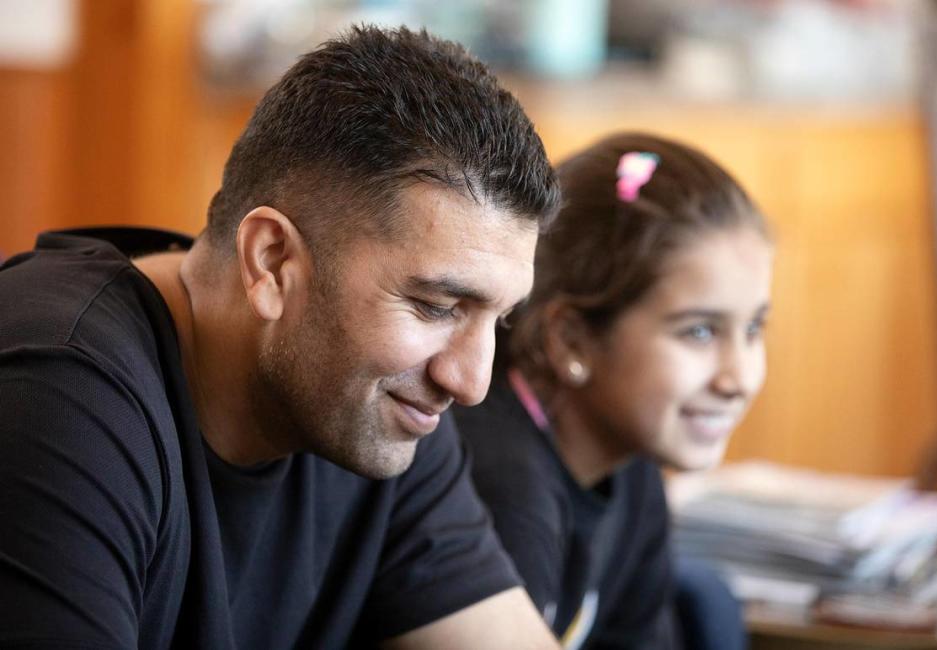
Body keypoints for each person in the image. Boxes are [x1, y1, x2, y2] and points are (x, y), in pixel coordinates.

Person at [0, 26, 563, 649]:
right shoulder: (56, 394)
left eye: (500, 319)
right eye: (436, 306)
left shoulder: (384, 408)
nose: (470, 382)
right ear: (271, 263)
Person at [453, 132, 773, 649]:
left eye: (754, 329)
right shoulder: (503, 494)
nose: (738, 378)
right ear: (571, 339)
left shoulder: (632, 469)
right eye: (699, 331)